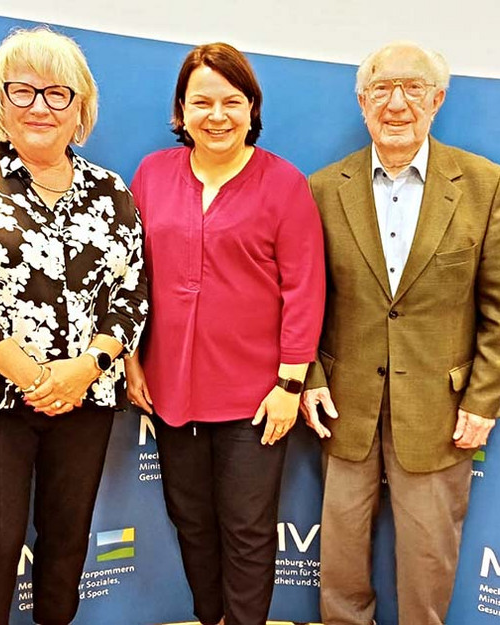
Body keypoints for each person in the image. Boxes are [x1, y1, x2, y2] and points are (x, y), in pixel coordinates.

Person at [0, 27, 147, 625]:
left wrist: (85, 370)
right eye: (21, 92)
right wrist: (36, 379)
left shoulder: (111, 191)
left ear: (81, 108)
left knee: (67, 544)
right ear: (1, 102)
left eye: (56, 93)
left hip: (86, 399)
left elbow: (130, 296)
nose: (39, 107)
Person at [301, 41, 500, 625]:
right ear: (362, 102)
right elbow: (305, 298)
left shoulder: (483, 184)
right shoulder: (323, 189)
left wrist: (483, 398)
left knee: (428, 561)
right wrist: (311, 377)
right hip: (345, 406)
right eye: (381, 90)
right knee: (341, 561)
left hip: (442, 410)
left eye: (413, 89)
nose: (396, 104)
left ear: (438, 99)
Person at [124, 43, 325, 625]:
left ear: (252, 107)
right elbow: (131, 276)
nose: (217, 115)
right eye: (202, 101)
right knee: (192, 522)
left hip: (255, 398)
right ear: (181, 111)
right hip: (169, 390)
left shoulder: (284, 184)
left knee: (247, 529)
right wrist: (134, 361)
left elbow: (305, 290)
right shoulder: (152, 173)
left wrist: (290, 384)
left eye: (232, 101)